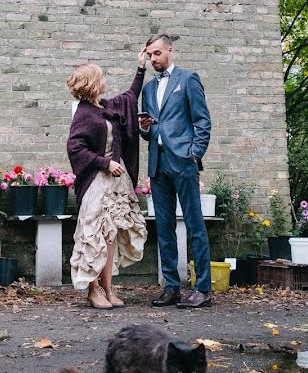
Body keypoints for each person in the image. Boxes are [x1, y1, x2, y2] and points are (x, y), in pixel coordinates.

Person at [66, 51, 148, 309]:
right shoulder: (84, 113)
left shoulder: (106, 107)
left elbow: (130, 97)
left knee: (111, 234)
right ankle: (93, 290)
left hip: (116, 183)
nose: (105, 81)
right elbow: (75, 148)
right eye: (101, 77)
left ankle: (109, 289)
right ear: (92, 83)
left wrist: (140, 69)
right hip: (96, 182)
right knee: (95, 234)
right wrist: (105, 162)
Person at [139, 34, 212, 308]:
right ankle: (171, 287)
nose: (153, 59)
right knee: (164, 227)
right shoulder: (147, 89)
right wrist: (144, 128)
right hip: (158, 164)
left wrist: (195, 154)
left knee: (194, 225)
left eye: (157, 53)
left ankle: (202, 288)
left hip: (183, 162)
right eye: (149, 55)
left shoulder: (188, 79)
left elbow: (202, 121)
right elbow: (147, 131)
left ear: (170, 50)